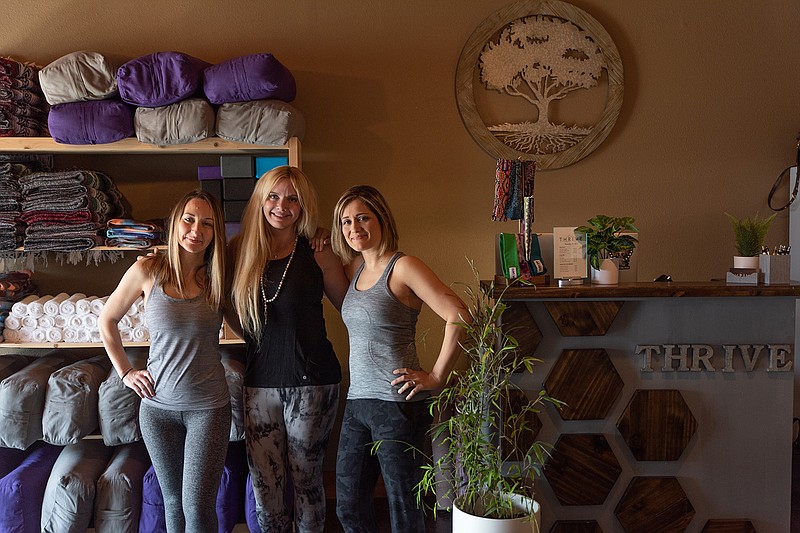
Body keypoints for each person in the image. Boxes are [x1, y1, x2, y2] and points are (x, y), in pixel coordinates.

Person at [330, 185, 468, 532]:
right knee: (348, 506)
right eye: (346, 221)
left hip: (398, 403)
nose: (354, 228)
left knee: (404, 508)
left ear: (381, 218)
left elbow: (460, 314)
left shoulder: (403, 266)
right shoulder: (356, 269)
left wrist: (436, 375)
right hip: (358, 402)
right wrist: (319, 236)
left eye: (362, 217)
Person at [99, 189, 232, 533]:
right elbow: (107, 319)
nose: (196, 230)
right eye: (189, 220)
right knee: (172, 502)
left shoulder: (220, 276)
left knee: (198, 507)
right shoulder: (147, 269)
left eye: (207, 224)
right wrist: (125, 371)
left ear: (216, 232)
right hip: (157, 409)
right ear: (175, 223)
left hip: (208, 407)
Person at [229, 165, 349, 533]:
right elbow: (236, 317)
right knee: (265, 485)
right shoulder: (238, 250)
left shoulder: (318, 248)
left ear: (303, 206)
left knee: (306, 479)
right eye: (274, 196)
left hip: (312, 383)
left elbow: (351, 307)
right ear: (261, 200)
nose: (282, 206)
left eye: (293, 199)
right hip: (259, 383)